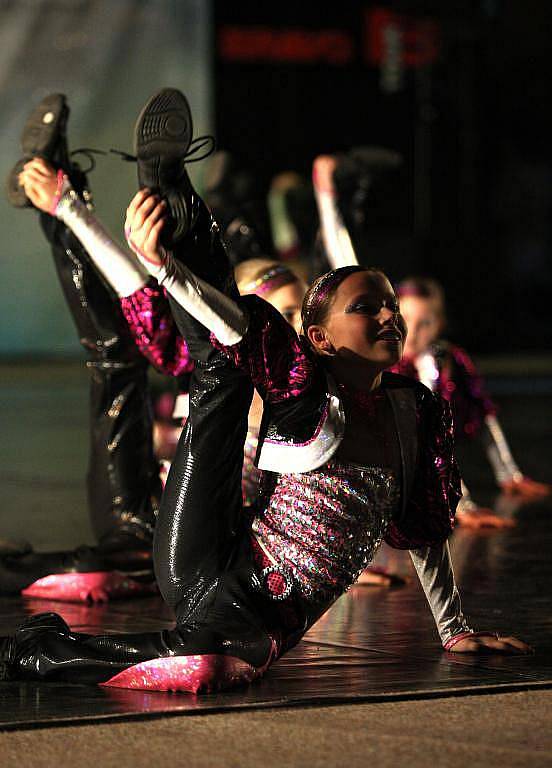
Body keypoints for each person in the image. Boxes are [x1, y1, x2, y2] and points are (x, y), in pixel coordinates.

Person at [0, 89, 530, 694]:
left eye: (391, 307)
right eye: (368, 308)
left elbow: (426, 529)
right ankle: (168, 187)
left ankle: (170, 198)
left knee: (212, 368)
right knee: (209, 367)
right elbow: (232, 329)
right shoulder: (302, 389)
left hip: (251, 573)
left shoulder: (417, 410)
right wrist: (163, 266)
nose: (390, 317)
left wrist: (455, 630)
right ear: (317, 340)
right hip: (209, 561)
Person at [1, 94, 171, 601]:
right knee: (118, 352)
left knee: (117, 355)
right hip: (152, 517)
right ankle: (60, 191)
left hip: (159, 538)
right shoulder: (262, 360)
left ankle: (60, 193)